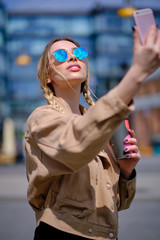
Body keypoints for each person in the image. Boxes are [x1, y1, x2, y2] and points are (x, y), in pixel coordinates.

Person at [25, 25, 160, 240]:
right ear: (48, 75)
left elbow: (120, 203)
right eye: (60, 55)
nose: (72, 58)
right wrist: (137, 72)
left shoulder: (98, 123)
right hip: (61, 233)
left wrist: (126, 172)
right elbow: (75, 145)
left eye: (78, 53)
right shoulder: (41, 118)